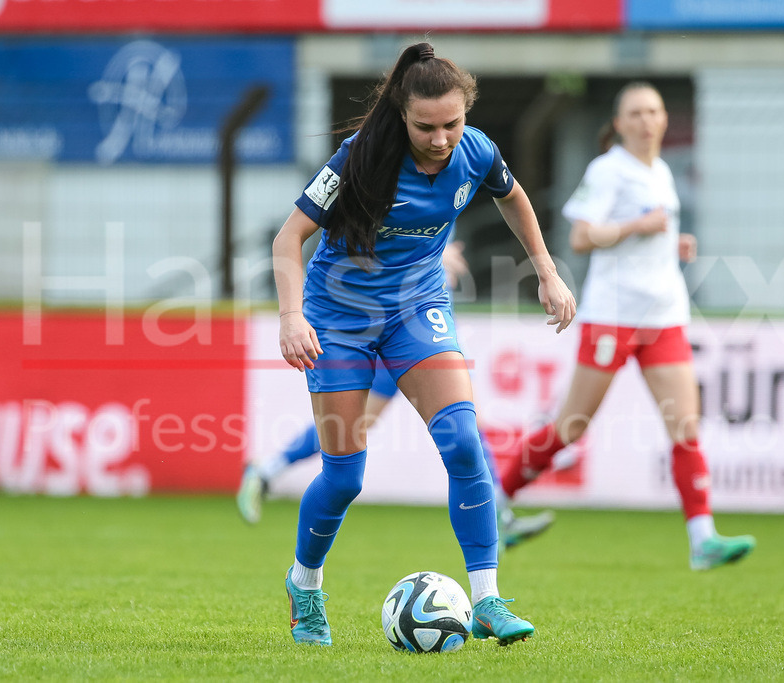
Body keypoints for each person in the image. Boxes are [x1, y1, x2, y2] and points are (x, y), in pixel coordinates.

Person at [271, 42, 576, 647]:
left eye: (453, 124)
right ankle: (305, 585)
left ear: (467, 114)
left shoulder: (477, 150)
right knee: (344, 477)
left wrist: (546, 268)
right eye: (426, 127)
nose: (441, 140)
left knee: (464, 441)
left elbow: (512, 195)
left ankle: (487, 599)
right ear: (401, 117)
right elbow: (288, 238)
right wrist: (291, 316)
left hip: (418, 309)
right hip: (340, 319)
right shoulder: (360, 158)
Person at [497, 82, 756, 572]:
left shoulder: (660, 171)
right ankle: (494, 501)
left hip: (664, 317)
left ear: (663, 119)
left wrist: (671, 244)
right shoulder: (608, 169)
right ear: (618, 123)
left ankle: (702, 537)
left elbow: (646, 233)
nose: (646, 120)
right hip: (612, 317)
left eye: (654, 111)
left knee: (685, 428)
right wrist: (637, 229)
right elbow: (580, 236)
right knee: (571, 426)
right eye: (635, 112)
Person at [238, 242, 556, 550]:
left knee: (467, 422)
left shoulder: (456, 187)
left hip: (429, 318)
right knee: (353, 428)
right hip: (399, 324)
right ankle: (266, 471)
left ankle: (499, 515)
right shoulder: (396, 191)